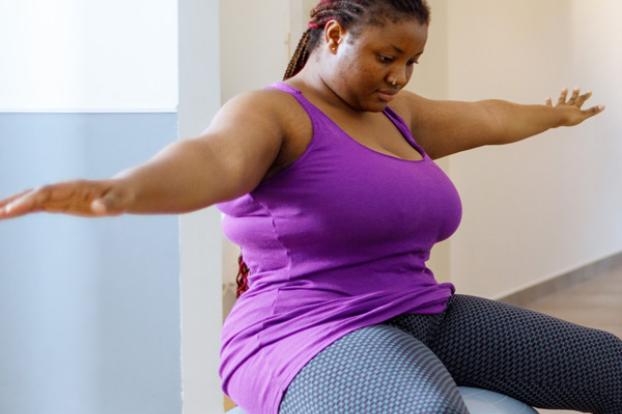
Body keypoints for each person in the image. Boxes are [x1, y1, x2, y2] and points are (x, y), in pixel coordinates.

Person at [1, 0, 620, 413]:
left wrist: (555, 116)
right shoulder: (272, 113)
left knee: (613, 369)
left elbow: (488, 117)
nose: (401, 76)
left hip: (421, 310)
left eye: (411, 61)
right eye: (386, 57)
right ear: (333, 35)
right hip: (307, 332)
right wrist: (122, 191)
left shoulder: (398, 115)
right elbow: (212, 162)